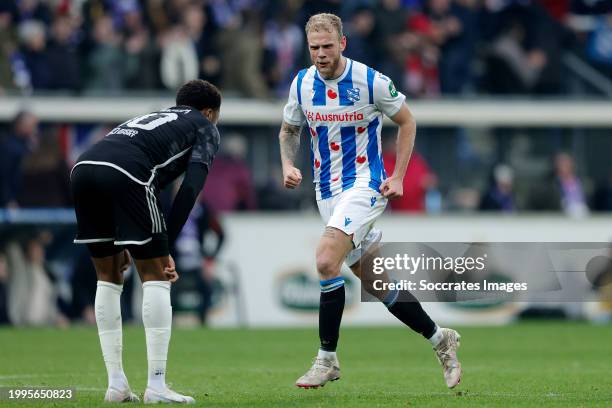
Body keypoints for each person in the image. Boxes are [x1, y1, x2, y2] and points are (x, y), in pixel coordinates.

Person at [278, 13, 462, 390]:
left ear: (343, 43)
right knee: (379, 284)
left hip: (365, 185)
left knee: (326, 260)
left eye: (328, 46)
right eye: (314, 48)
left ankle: (326, 359)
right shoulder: (301, 84)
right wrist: (287, 164)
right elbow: (288, 129)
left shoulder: (371, 80)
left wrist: (397, 177)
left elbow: (407, 122)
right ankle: (439, 338)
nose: (321, 54)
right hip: (326, 193)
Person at [70, 79, 221, 403]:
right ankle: (156, 385)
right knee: (156, 277)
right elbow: (190, 188)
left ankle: (116, 384)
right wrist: (166, 248)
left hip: (83, 169)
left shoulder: (153, 119)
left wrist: (127, 241)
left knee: (108, 279)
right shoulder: (205, 127)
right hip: (128, 174)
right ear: (209, 112)